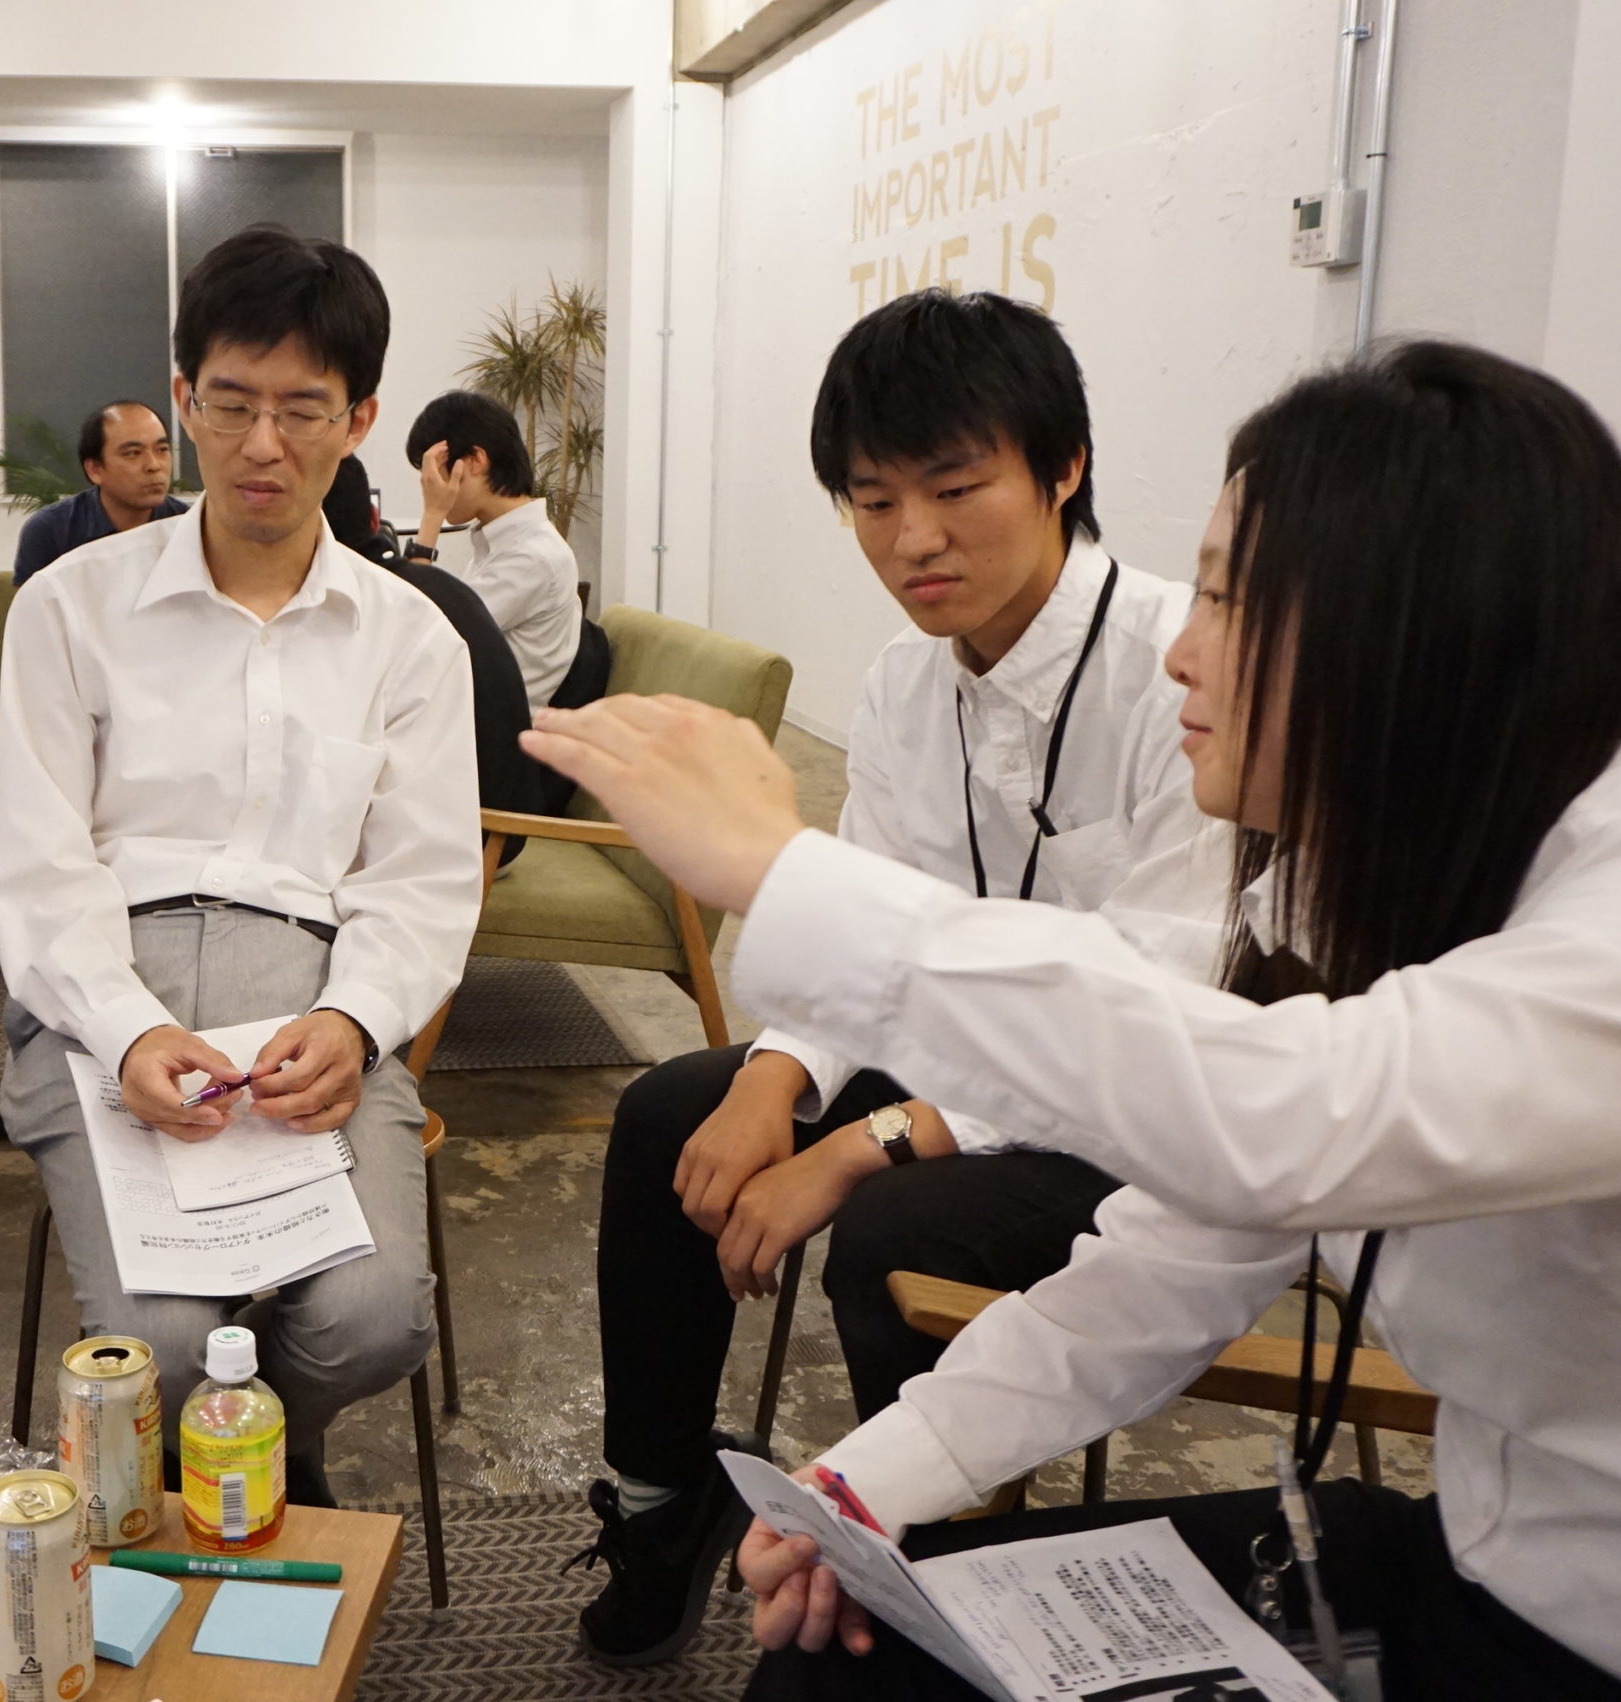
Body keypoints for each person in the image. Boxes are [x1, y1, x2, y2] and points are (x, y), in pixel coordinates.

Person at [529, 341, 1621, 1702]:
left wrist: (784, 878)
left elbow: (1271, 1115)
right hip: (1470, 1564)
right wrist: (858, 1485)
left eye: (1231, 599)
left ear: (1421, 633)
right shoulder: (1382, 874)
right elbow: (1169, 1260)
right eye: (872, 500)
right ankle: (665, 1507)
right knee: (845, 1644)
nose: (1186, 649)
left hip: (1607, 1644)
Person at [567, 289, 1222, 1668]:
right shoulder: (905, 682)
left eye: (955, 488)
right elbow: (863, 923)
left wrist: (859, 1145)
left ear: (1064, 468)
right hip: (951, 1058)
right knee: (670, 1113)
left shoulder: (1183, 679)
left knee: (892, 1227)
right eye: (872, 501)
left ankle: (914, 1576)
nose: (913, 538)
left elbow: (1154, 1009)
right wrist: (772, 1078)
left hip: (1129, 1105)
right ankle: (662, 1501)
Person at [0, 227, 481, 1505]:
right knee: (153, 1348)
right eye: (230, 404)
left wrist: (356, 1019)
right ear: (183, 399)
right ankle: (228, 1445)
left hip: (312, 996)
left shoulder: (410, 638)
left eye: (303, 410)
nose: (263, 445)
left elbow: (423, 881)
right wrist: (124, 1029)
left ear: (359, 418)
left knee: (375, 1320)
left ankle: (256, 1439)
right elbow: (39, 867)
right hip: (105, 988)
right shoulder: (68, 606)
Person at [324, 453, 547, 829]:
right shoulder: (440, 589)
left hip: (479, 830)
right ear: (375, 520)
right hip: (502, 805)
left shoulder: (367, 613)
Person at [404, 390, 583, 714]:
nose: (429, 485)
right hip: (465, 716)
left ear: (474, 461)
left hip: (491, 732)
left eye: (434, 471)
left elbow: (421, 637)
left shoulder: (533, 557)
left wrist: (432, 516)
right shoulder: (501, 543)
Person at [11, 400, 189, 585]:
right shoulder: (50, 530)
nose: (154, 465)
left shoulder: (188, 525)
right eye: (133, 453)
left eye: (162, 450)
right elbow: (30, 603)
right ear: (95, 469)